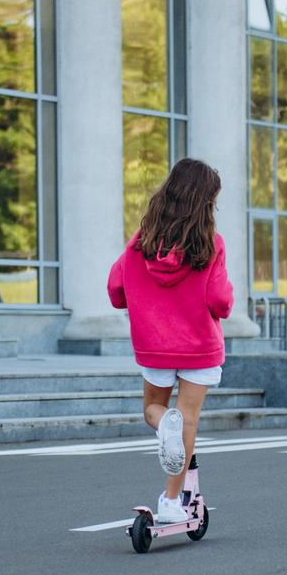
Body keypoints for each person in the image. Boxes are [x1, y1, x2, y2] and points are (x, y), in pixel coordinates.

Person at [107, 158, 233, 524]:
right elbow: (220, 302)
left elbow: (116, 291)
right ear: (204, 203)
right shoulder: (211, 244)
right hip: (198, 346)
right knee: (188, 420)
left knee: (154, 410)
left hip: (155, 346)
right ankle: (171, 502)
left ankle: (165, 425)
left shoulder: (140, 243)